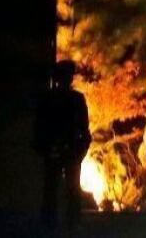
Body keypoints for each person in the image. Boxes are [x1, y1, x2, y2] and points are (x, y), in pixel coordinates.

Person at [34, 60, 91, 229]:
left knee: (58, 188)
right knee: (63, 188)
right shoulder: (74, 99)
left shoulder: (50, 98)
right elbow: (83, 127)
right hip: (64, 149)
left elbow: (83, 127)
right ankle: (68, 222)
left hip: (65, 149)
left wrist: (80, 149)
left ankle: (55, 222)